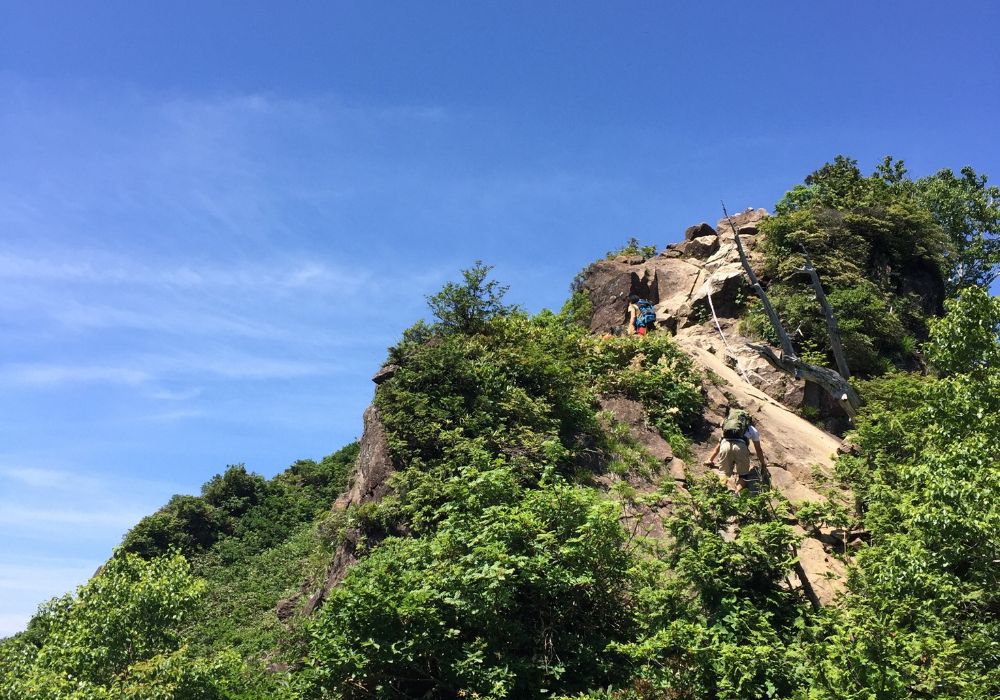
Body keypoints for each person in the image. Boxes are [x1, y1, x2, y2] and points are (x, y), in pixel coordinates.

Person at [705, 408, 768, 492]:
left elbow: (719, 445)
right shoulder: (752, 430)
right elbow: (758, 449)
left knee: (723, 473)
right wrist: (763, 463)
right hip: (740, 447)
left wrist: (710, 459)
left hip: (725, 445)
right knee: (743, 476)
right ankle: (736, 493)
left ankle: (720, 492)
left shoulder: (727, 426)